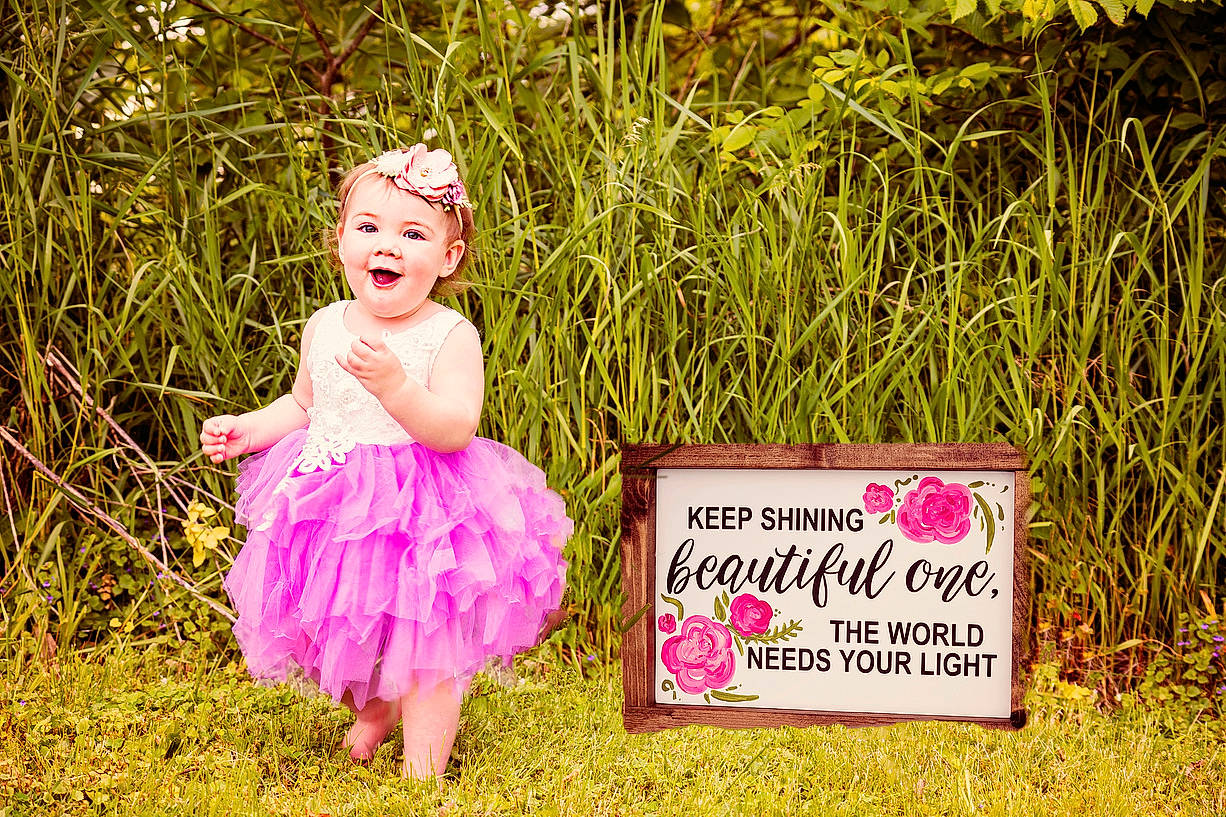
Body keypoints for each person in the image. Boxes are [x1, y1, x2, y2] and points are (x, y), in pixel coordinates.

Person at [198, 144, 571, 780]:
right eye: (368, 228)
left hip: (424, 506)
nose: (387, 246)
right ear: (341, 239)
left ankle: (422, 770)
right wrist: (249, 431)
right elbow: (303, 403)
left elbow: (456, 429)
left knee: (428, 643)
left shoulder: (449, 334)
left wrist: (397, 387)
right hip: (333, 503)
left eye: (412, 233)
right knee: (332, 631)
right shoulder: (326, 324)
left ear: (447, 257)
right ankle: (374, 709)